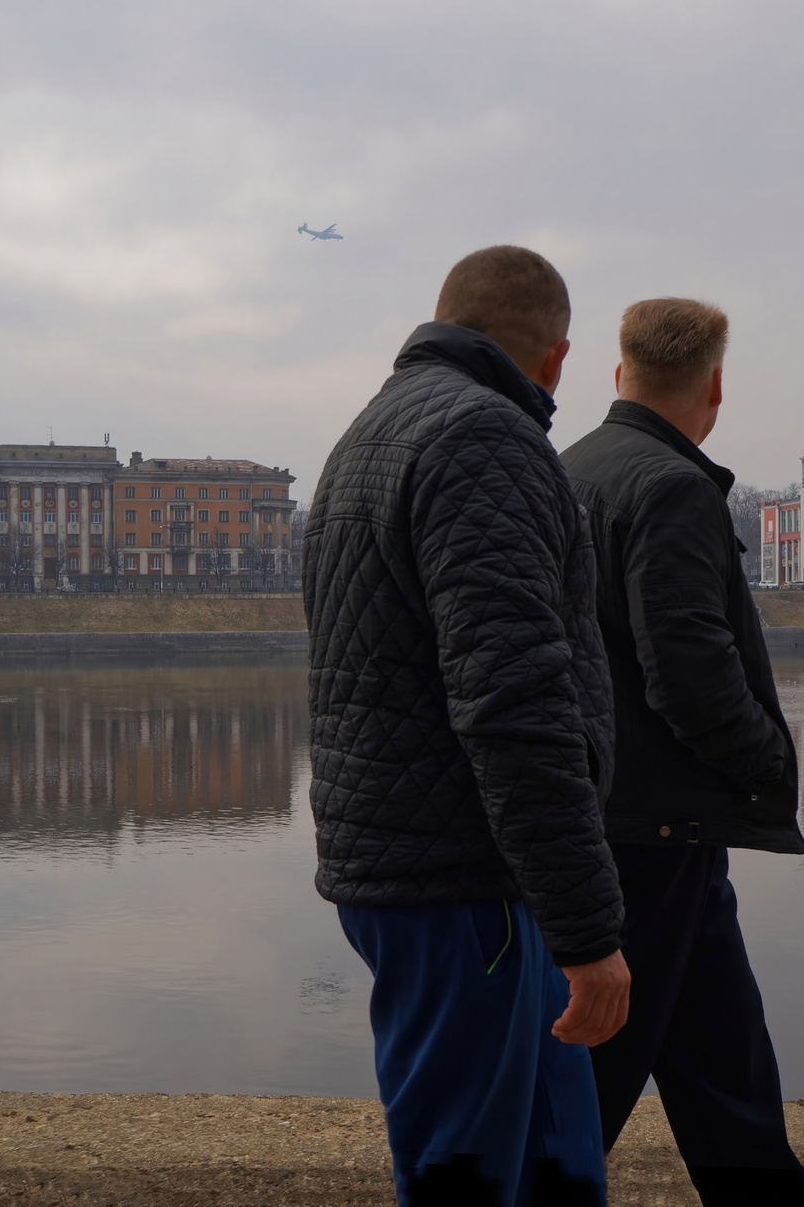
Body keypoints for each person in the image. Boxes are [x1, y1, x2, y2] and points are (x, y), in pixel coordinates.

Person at [303, 245, 632, 1207]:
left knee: (552, 1162)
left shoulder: (374, 432)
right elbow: (514, 703)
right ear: (558, 359)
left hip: (430, 871)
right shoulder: (484, 440)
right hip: (468, 889)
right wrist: (588, 930)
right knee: (469, 1177)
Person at [560, 298, 804, 1206]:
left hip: (625, 822)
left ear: (617, 374)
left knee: (727, 1081)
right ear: (715, 384)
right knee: (586, 1097)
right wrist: (764, 762)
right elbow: (690, 672)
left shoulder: (571, 471)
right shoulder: (672, 486)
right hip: (655, 833)